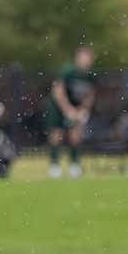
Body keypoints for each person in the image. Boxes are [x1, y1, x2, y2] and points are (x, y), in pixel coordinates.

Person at [45, 46, 96, 178]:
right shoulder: (68, 72)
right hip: (58, 107)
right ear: (77, 58)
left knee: (75, 135)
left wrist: (83, 110)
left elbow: (89, 95)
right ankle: (54, 165)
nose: (85, 61)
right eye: (82, 58)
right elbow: (58, 92)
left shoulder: (90, 76)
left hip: (75, 107)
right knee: (56, 135)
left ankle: (74, 164)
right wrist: (68, 110)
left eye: (87, 58)